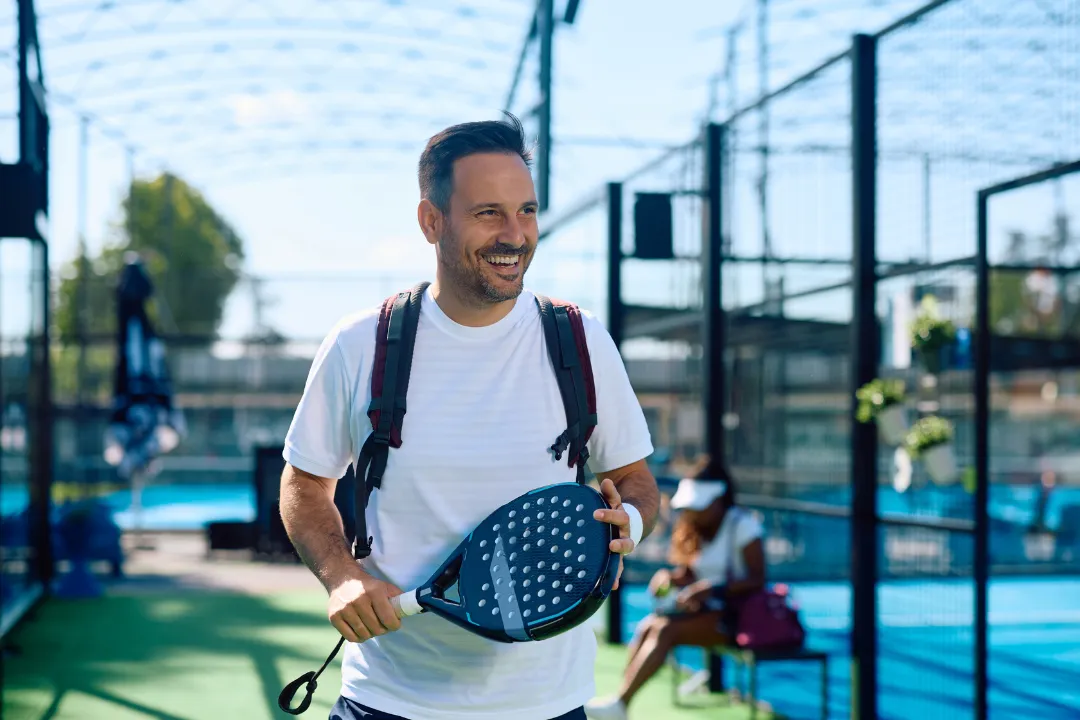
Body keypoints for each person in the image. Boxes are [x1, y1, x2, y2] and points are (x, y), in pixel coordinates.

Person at [278, 112, 660, 720]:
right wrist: (343, 577)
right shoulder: (359, 344)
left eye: (527, 211)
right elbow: (304, 485)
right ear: (432, 221)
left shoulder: (582, 341)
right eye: (489, 213)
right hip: (388, 699)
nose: (515, 235)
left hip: (550, 705)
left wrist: (630, 524)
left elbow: (637, 482)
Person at [584, 461, 765, 720]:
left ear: (720, 499)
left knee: (665, 629)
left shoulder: (744, 525)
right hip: (706, 613)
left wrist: (711, 589)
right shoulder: (700, 528)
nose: (693, 511)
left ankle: (621, 704)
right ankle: (620, 701)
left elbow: (757, 580)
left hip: (739, 620)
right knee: (649, 625)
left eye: (700, 505)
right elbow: (692, 573)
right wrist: (670, 577)